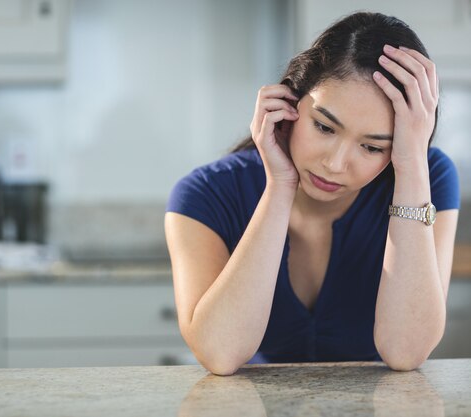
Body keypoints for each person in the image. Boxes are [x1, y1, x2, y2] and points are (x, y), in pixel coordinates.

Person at [165, 12, 460, 375]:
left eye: (371, 147)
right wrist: (280, 186)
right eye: (324, 126)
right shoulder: (204, 194)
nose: (336, 164)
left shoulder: (427, 175)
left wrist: (412, 164)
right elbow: (219, 354)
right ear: (291, 103)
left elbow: (405, 352)